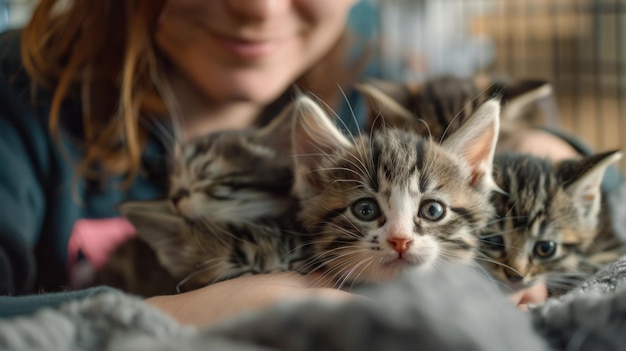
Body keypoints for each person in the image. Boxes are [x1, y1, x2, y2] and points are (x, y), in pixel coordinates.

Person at [0, 0, 614, 327]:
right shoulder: (21, 112)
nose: (260, 8)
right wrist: (178, 316)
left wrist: (552, 161)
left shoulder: (381, 97)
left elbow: (569, 176)